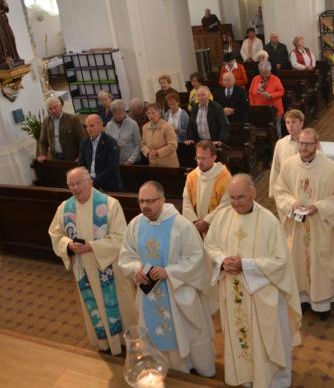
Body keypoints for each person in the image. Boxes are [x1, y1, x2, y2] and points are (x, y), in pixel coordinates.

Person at [203, 174, 302, 388]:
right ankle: (245, 378)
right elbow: (210, 245)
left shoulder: (268, 221)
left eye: (241, 197)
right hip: (232, 291)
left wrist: (245, 265)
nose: (236, 203)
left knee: (264, 340)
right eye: (232, 198)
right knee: (240, 339)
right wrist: (222, 261)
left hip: (261, 296)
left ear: (253, 193)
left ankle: (270, 381)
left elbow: (280, 260)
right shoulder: (222, 217)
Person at [117, 181, 216, 376]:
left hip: (177, 292)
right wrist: (135, 268)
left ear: (163, 200)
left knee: (186, 330)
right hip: (149, 295)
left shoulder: (181, 225)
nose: (145, 206)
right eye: (141, 201)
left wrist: (169, 272)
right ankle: (163, 367)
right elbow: (126, 255)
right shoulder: (136, 224)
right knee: (154, 332)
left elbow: (196, 259)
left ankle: (190, 366)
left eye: (150, 201)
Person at [48, 167, 136, 355]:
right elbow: (55, 234)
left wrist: (93, 247)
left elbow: (121, 238)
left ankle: (126, 342)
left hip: (109, 267)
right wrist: (68, 245)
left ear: (90, 181)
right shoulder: (65, 208)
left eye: (78, 183)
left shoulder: (110, 205)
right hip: (83, 268)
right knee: (93, 305)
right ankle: (104, 343)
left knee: (119, 304)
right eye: (71, 184)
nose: (75, 188)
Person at [273, 128, 334, 320]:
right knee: (298, 263)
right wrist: (291, 204)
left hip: (321, 226)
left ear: (317, 144)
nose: (303, 147)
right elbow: (280, 191)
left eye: (308, 144)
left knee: (321, 265)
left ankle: (322, 304)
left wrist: (318, 207)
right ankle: (302, 300)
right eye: (301, 143)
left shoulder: (330, 167)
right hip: (297, 224)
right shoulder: (289, 165)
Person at [181, 140, 231, 236]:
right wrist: (194, 221)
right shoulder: (192, 176)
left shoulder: (224, 177)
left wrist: (206, 222)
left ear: (214, 158)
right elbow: (186, 201)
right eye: (198, 158)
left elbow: (226, 204)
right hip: (195, 228)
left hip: (215, 229)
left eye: (204, 158)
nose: (200, 162)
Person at [79, 114, 123, 192]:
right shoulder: (85, 142)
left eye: (92, 126)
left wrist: (95, 181)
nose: (89, 129)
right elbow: (82, 163)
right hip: (89, 182)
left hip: (108, 184)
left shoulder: (110, 143)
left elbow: (112, 167)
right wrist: (86, 178)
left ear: (100, 126)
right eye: (87, 126)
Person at [269, 109, 304, 204]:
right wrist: (273, 190)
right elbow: (275, 167)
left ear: (301, 123)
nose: (290, 125)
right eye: (288, 122)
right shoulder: (281, 143)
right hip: (286, 188)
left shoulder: (310, 142)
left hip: (304, 186)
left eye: (294, 122)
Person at [37, 96, 86, 162]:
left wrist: (80, 156)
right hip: (56, 159)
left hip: (73, 159)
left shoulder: (73, 119)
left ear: (61, 106)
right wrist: (43, 154)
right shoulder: (46, 121)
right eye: (50, 109)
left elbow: (82, 140)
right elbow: (42, 141)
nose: (53, 111)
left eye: (55, 107)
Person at [249, 61, 286, 135]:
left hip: (274, 111)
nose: (265, 75)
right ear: (259, 71)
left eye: (267, 73)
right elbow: (250, 93)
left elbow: (281, 91)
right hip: (259, 110)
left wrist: (271, 95)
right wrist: (253, 106)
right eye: (263, 73)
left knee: (277, 130)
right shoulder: (255, 79)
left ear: (270, 71)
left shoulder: (276, 79)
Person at [141, 103, 179, 167]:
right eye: (148, 113)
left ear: (159, 114)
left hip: (169, 165)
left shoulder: (167, 126)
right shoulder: (145, 127)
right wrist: (148, 152)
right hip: (153, 164)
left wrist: (158, 152)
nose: (150, 115)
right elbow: (142, 144)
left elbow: (173, 145)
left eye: (153, 112)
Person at [105, 99, 141, 165]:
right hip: (117, 161)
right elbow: (107, 144)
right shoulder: (109, 126)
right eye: (116, 114)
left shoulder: (133, 124)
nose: (119, 116)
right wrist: (114, 146)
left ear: (125, 111)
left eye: (121, 114)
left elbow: (138, 144)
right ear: (112, 113)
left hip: (133, 162)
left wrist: (131, 160)